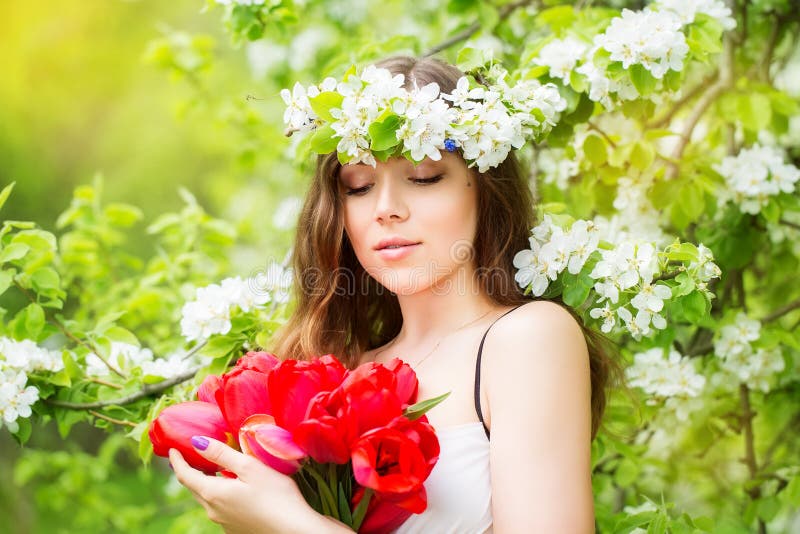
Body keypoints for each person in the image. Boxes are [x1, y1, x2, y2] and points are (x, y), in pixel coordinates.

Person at [168, 55, 622, 533]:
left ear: (485, 188)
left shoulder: (527, 339)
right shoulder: (335, 369)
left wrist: (293, 526)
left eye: (425, 178)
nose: (386, 209)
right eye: (359, 187)